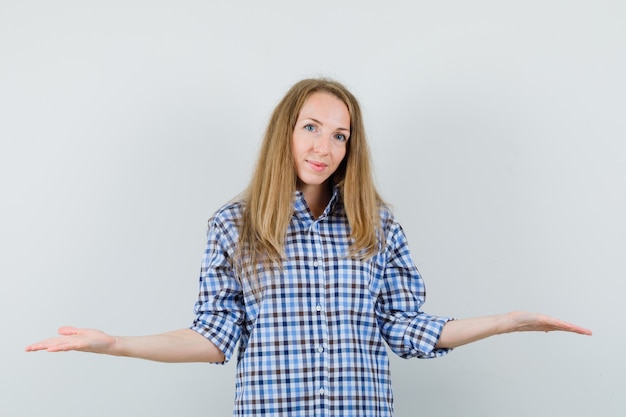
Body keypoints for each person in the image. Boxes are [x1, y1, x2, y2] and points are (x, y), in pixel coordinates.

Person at [26, 78, 592, 416]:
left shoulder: (377, 226)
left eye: (340, 134)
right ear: (286, 132)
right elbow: (213, 336)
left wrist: (504, 322)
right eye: (312, 127)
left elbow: (404, 327)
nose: (325, 146)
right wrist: (115, 344)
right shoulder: (235, 227)